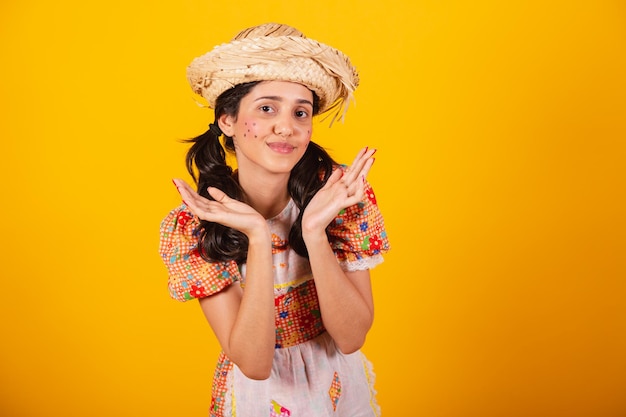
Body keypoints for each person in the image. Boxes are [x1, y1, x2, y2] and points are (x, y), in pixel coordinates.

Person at [159, 23, 390, 417]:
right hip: (255, 401)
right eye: (267, 108)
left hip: (338, 393)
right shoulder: (194, 225)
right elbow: (253, 362)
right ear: (227, 121)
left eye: (301, 112)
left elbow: (351, 338)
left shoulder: (340, 196)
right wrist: (259, 238)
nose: (287, 126)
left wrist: (315, 232)